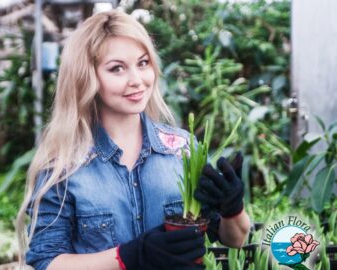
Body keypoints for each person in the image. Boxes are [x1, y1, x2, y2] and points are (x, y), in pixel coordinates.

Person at [16, 10, 251, 270]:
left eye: (143, 63)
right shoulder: (63, 165)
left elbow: (235, 239)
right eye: (117, 68)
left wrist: (233, 209)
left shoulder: (182, 150)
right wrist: (128, 256)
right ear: (87, 77)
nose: (137, 81)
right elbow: (47, 261)